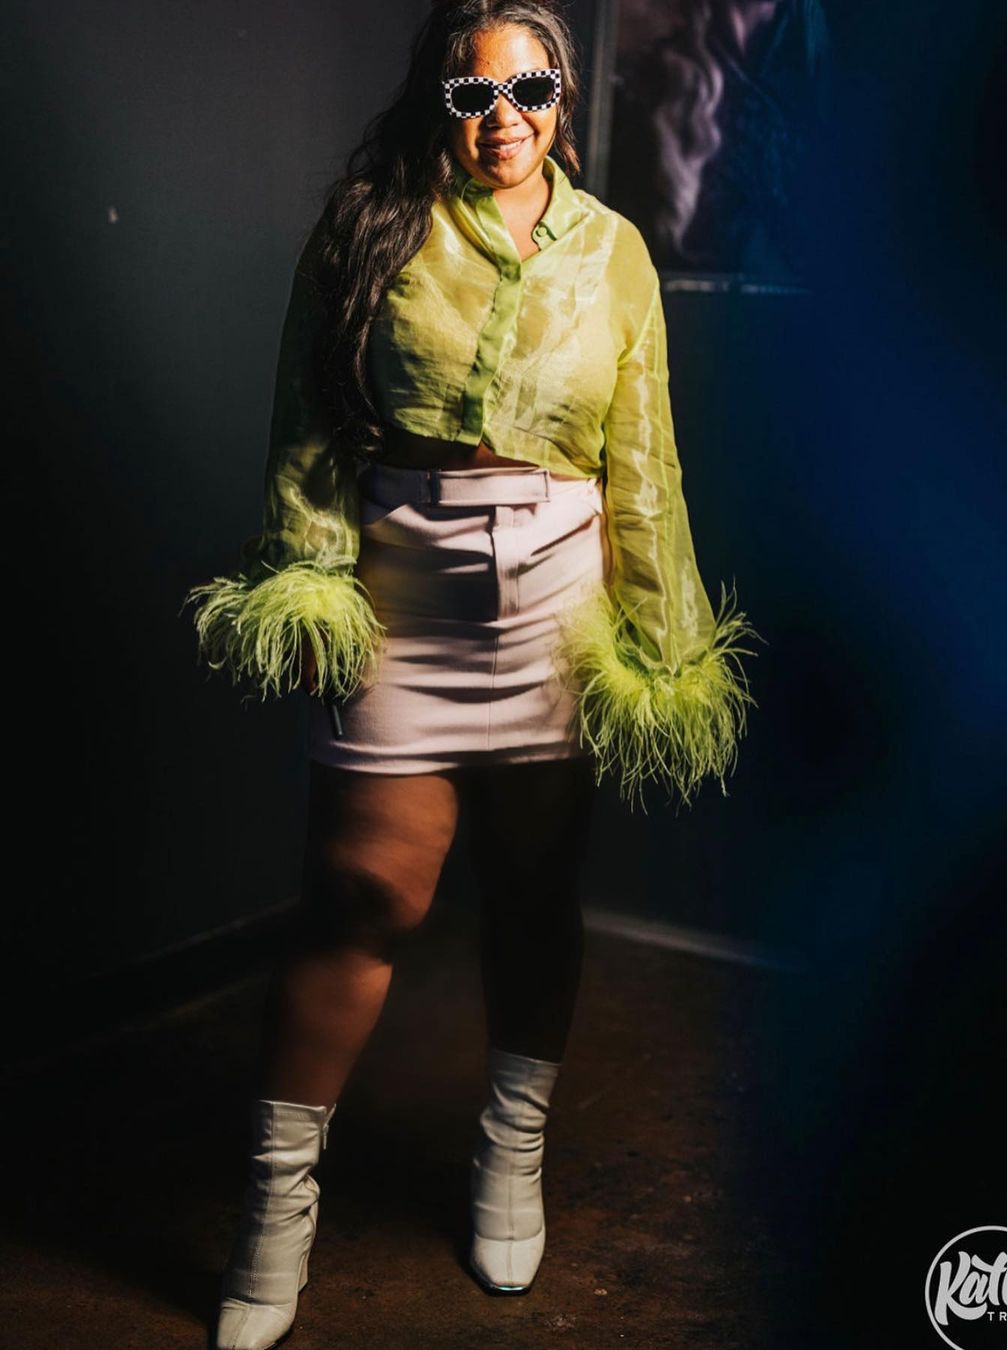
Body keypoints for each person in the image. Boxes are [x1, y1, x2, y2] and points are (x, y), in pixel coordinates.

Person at [181, 2, 758, 1347]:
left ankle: (513, 1151)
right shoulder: (368, 228)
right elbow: (307, 430)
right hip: (406, 591)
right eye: (473, 92)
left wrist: (663, 641)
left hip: (558, 600)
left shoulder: (613, 250)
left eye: (532, 88)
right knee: (362, 893)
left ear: (562, 97)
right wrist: (311, 581)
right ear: (437, 99)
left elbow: (645, 460)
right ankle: (275, 1211)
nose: (505, 117)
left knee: (535, 889)